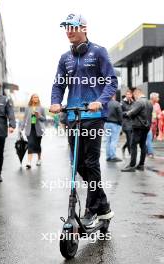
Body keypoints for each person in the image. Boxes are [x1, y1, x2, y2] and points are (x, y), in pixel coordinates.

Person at [50, 13, 117, 228]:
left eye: (73, 27)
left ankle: (91, 209)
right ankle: (103, 205)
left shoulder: (98, 52)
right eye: (66, 27)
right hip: (73, 116)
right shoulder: (64, 58)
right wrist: (56, 102)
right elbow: (58, 85)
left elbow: (111, 81)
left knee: (91, 162)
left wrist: (100, 100)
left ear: (84, 28)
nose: (69, 31)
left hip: (94, 116)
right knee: (77, 164)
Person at [121, 88, 153, 172]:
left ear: (136, 94)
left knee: (133, 145)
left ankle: (132, 165)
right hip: (146, 127)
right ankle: (141, 165)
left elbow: (131, 113)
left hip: (138, 127)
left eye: (134, 96)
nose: (134, 97)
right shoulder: (149, 102)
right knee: (143, 145)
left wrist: (125, 113)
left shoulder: (139, 102)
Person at [21, 94, 46, 169]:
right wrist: (22, 127)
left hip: (38, 129)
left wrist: (38, 116)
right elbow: (25, 119)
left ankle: (39, 159)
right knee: (30, 144)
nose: (36, 98)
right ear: (31, 99)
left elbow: (44, 119)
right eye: (34, 97)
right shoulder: (28, 108)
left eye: (37, 97)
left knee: (38, 144)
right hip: (30, 128)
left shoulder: (41, 108)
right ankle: (29, 162)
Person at [105, 95, 122, 162]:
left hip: (106, 124)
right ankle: (113, 156)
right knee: (114, 140)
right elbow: (120, 114)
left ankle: (108, 156)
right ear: (114, 96)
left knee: (108, 140)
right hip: (115, 124)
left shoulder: (105, 104)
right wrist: (121, 123)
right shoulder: (116, 103)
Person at [146, 93, 161, 157]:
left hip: (155, 124)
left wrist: (161, 115)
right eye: (157, 97)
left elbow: (159, 113)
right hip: (148, 124)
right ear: (153, 98)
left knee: (151, 138)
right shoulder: (147, 104)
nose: (158, 98)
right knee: (149, 138)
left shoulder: (157, 105)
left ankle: (147, 150)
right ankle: (150, 152)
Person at [121, 89, 134, 155]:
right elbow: (120, 113)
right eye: (127, 94)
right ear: (126, 95)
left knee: (131, 138)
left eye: (130, 94)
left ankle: (124, 147)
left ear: (131, 95)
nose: (129, 96)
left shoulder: (133, 102)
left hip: (133, 123)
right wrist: (127, 113)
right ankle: (130, 152)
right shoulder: (122, 103)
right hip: (126, 123)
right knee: (129, 138)